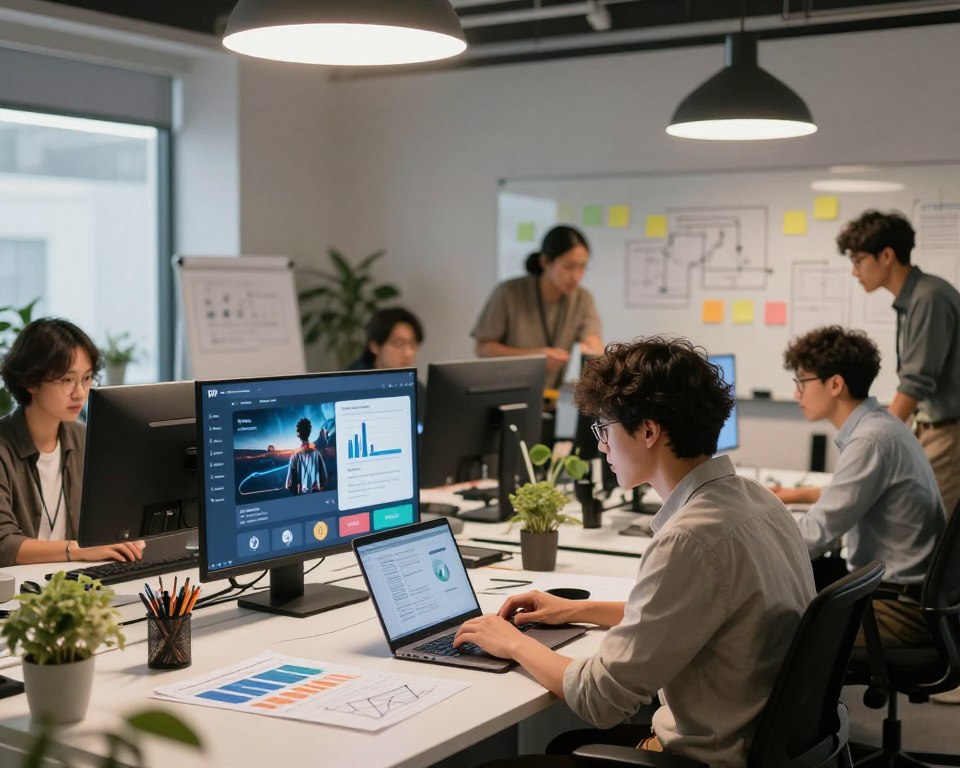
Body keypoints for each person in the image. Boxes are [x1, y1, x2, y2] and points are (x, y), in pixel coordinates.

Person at [454, 337, 814, 767]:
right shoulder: (758, 501)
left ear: (648, 430)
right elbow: (690, 612)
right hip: (765, 743)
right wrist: (571, 611)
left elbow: (599, 700)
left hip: (706, 758)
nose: (602, 446)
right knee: (564, 746)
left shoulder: (689, 540)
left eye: (605, 430)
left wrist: (513, 643)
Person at [771, 326, 944, 647]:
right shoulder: (883, 426)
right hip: (903, 594)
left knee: (769, 632)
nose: (797, 394)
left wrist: (748, 548)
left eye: (802, 382)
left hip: (897, 610)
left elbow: (814, 535)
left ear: (835, 384)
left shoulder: (870, 440)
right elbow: (844, 499)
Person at [838, 210, 960, 518]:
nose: (855, 272)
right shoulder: (915, 298)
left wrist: (876, 441)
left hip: (948, 434)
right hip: (932, 428)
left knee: (933, 534)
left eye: (858, 260)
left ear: (887, 255)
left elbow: (916, 382)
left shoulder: (929, 297)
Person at [0, 318, 146, 566]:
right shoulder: (4, 446)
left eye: (87, 378)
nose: (80, 392)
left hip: (74, 582)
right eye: (67, 380)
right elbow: (4, 544)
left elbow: (110, 517)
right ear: (30, 381)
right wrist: (77, 550)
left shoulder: (83, 438)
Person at [472, 225, 603, 390]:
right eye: (569, 267)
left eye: (583, 267)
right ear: (545, 262)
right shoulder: (509, 292)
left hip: (550, 397)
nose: (576, 276)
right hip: (505, 392)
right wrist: (535, 357)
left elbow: (592, 341)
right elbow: (483, 348)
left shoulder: (582, 298)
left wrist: (596, 355)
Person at [346, 307, 426, 424]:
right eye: (398, 344)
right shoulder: (350, 384)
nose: (408, 353)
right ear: (375, 346)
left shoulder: (416, 388)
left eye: (413, 344)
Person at [285, 417, 327, 495]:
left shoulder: (295, 455)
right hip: (316, 495)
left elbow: (288, 484)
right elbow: (324, 478)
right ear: (309, 432)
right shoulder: (317, 454)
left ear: (298, 434)